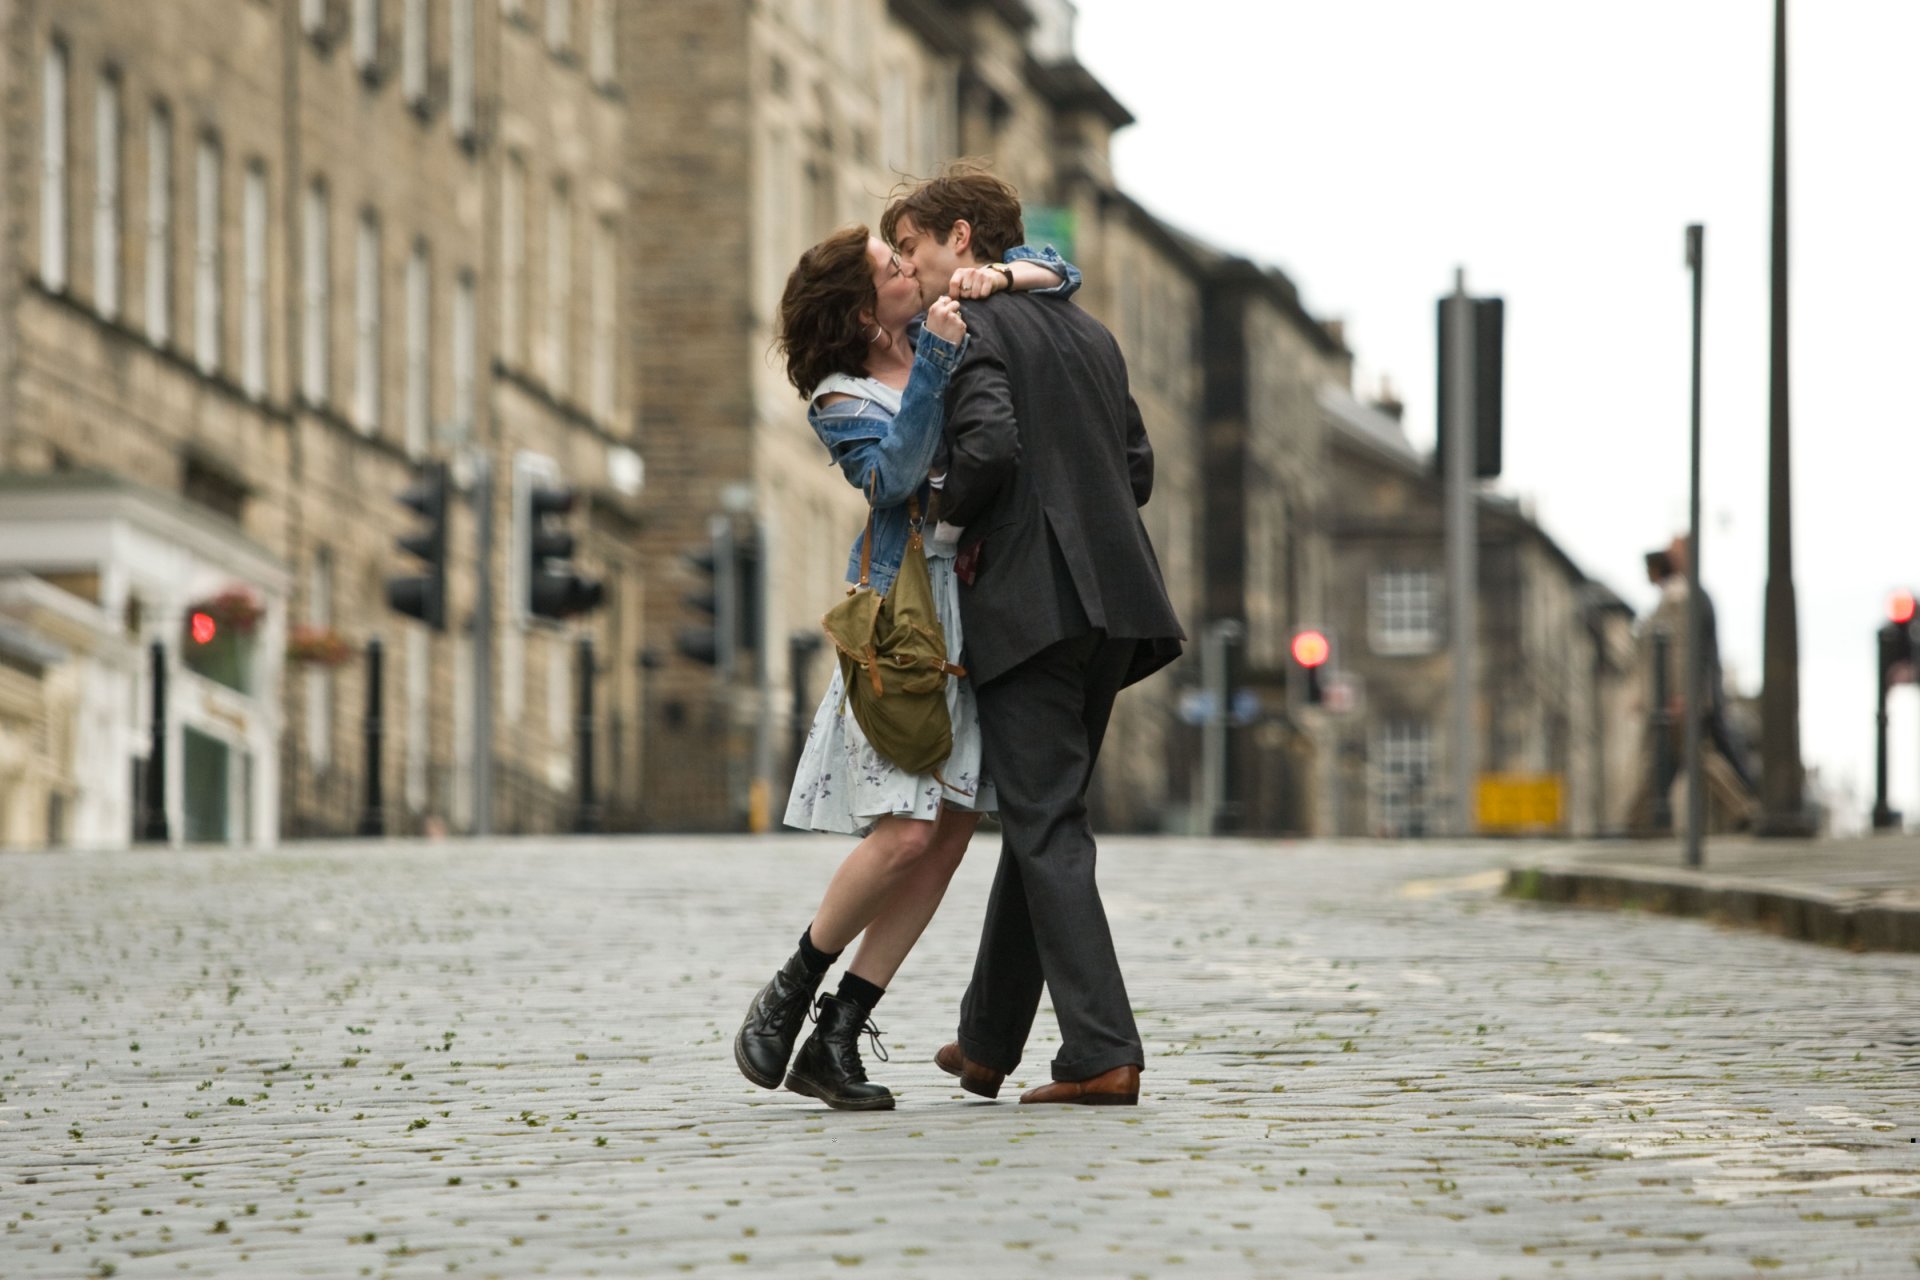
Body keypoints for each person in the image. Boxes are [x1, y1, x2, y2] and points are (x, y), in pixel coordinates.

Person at [733, 224, 1079, 1111]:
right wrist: (936, 363)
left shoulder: (947, 319)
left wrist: (993, 275)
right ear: (862, 307)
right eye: (890, 268)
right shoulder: (840, 398)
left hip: (980, 611)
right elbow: (893, 480)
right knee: (907, 831)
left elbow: (1062, 268)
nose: (908, 266)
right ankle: (791, 987)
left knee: (955, 828)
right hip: (907, 623)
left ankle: (839, 1032)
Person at [882, 163, 1185, 1107]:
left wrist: (941, 515)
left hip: (1028, 606)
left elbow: (987, 450)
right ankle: (985, 1042)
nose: (912, 268)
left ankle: (1101, 1053)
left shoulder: (968, 328)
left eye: (916, 248)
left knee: (1047, 822)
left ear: (961, 238)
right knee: (1040, 812)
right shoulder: (1090, 334)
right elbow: (1135, 466)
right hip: (1117, 611)